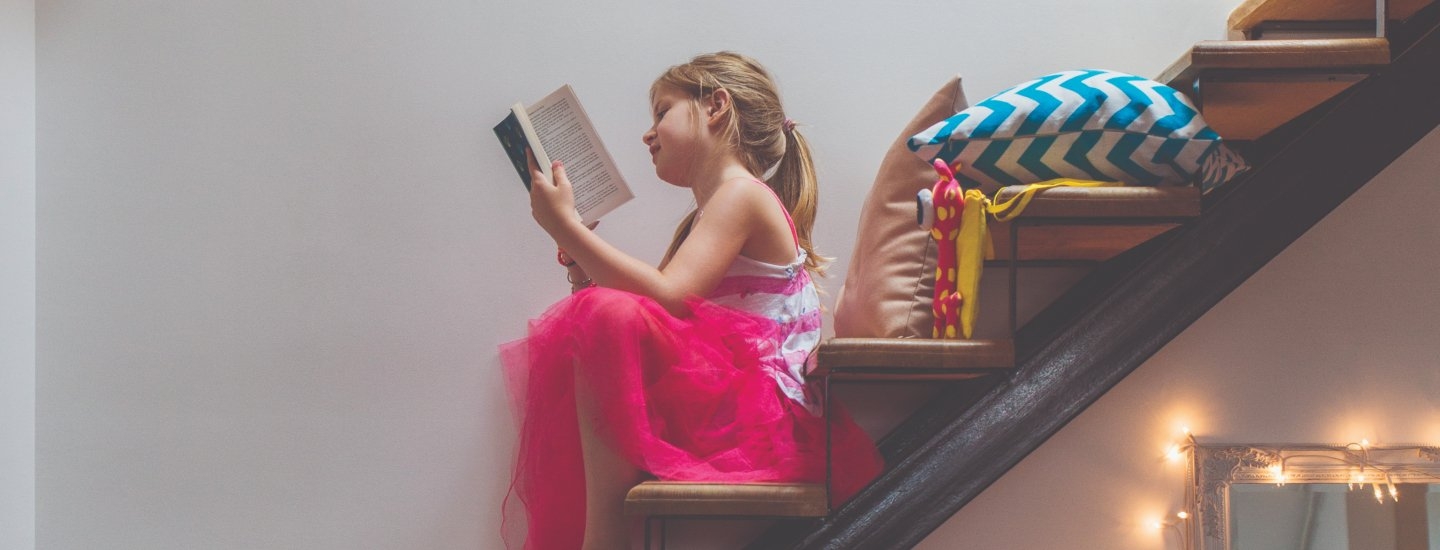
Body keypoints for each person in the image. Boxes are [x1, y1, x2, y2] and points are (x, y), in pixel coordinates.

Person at [500, 51, 883, 550]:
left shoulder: (741, 194)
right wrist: (579, 262)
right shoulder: (713, 211)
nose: (648, 132)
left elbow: (671, 299)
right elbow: (657, 312)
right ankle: (607, 529)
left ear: (715, 106)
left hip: (763, 417)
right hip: (731, 402)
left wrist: (566, 228)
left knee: (608, 314)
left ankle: (606, 536)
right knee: (605, 315)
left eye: (662, 112)